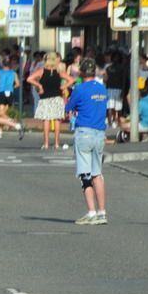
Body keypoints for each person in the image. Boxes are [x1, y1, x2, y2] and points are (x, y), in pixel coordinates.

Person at [64, 58, 109, 225]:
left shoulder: (80, 89)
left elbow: (69, 108)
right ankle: (102, 212)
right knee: (98, 174)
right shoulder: (102, 89)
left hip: (85, 133)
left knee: (85, 175)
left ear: (82, 73)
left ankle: (91, 212)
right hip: (99, 133)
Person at [0, 59, 20, 137]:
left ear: (2, 65)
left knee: (0, 114)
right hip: (10, 93)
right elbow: (18, 84)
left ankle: (12, 122)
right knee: (3, 113)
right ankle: (0, 131)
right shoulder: (13, 73)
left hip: (1, 92)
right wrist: (11, 86)